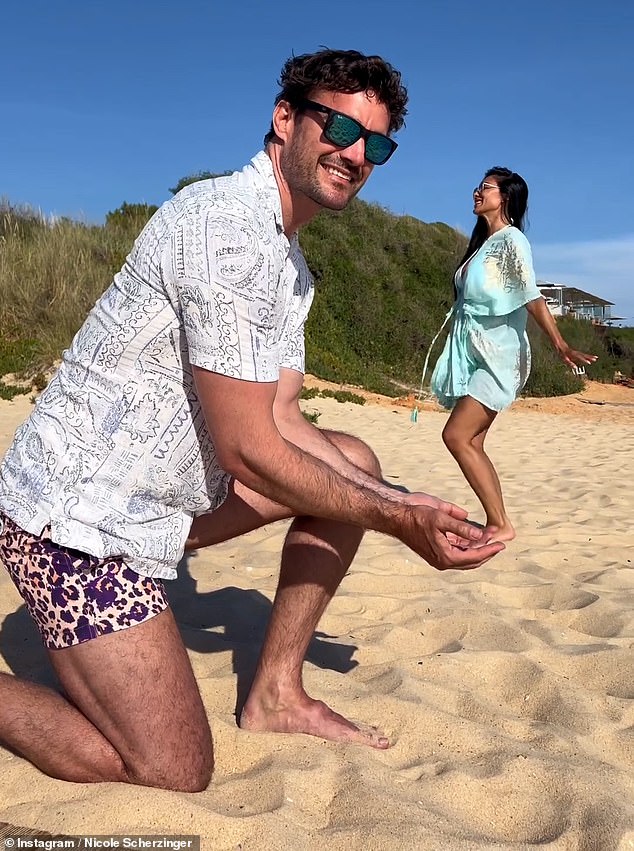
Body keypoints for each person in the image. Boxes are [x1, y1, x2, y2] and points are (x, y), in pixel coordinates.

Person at [0, 49, 505, 793]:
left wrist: (403, 501)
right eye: (338, 124)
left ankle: (275, 693)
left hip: (152, 509)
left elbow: (284, 419)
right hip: (75, 521)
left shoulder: (287, 260)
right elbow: (249, 448)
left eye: (378, 142)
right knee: (173, 768)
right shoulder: (223, 227)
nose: (356, 152)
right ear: (285, 120)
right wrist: (397, 523)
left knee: (355, 462)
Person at [430, 167, 597, 542]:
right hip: (475, 351)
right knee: (471, 441)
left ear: (504, 196)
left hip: (500, 355)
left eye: (484, 188)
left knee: (456, 436)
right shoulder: (484, 243)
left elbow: (530, 295)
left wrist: (561, 345)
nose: (476, 192)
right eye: (478, 186)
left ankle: (501, 523)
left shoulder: (512, 241)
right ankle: (497, 522)